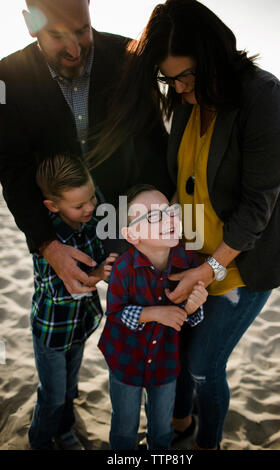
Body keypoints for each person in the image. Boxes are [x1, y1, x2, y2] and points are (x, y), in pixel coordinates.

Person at [90, 0, 280, 450]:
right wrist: (139, 241)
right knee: (179, 352)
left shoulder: (264, 97)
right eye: (170, 79)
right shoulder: (186, 100)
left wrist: (209, 270)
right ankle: (180, 426)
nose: (180, 88)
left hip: (238, 262)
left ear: (216, 54)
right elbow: (175, 180)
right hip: (184, 255)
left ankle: (207, 442)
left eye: (188, 76)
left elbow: (257, 207)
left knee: (203, 363)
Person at [0, 0, 174, 296]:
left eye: (82, 31)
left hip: (129, 214)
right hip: (60, 225)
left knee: (148, 309)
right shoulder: (7, 77)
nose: (74, 50)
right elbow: (13, 169)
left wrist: (164, 213)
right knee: (61, 324)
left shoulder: (130, 56)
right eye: (57, 36)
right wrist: (48, 246)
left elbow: (155, 142)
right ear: (31, 25)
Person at [98, 184, 208, 450]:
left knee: (161, 429)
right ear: (132, 234)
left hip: (165, 362)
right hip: (125, 359)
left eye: (170, 211)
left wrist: (193, 308)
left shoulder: (188, 261)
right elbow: (114, 314)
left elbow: (189, 319)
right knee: (125, 427)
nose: (169, 218)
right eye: (153, 216)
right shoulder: (124, 267)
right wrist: (154, 313)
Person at [29, 154, 118, 450]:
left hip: (79, 326)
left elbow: (102, 251)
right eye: (79, 205)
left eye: (91, 197)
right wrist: (96, 273)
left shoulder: (90, 222)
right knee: (52, 395)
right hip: (52, 332)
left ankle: (65, 432)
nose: (90, 208)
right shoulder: (48, 241)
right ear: (53, 206)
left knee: (69, 388)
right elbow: (62, 291)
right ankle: (40, 440)